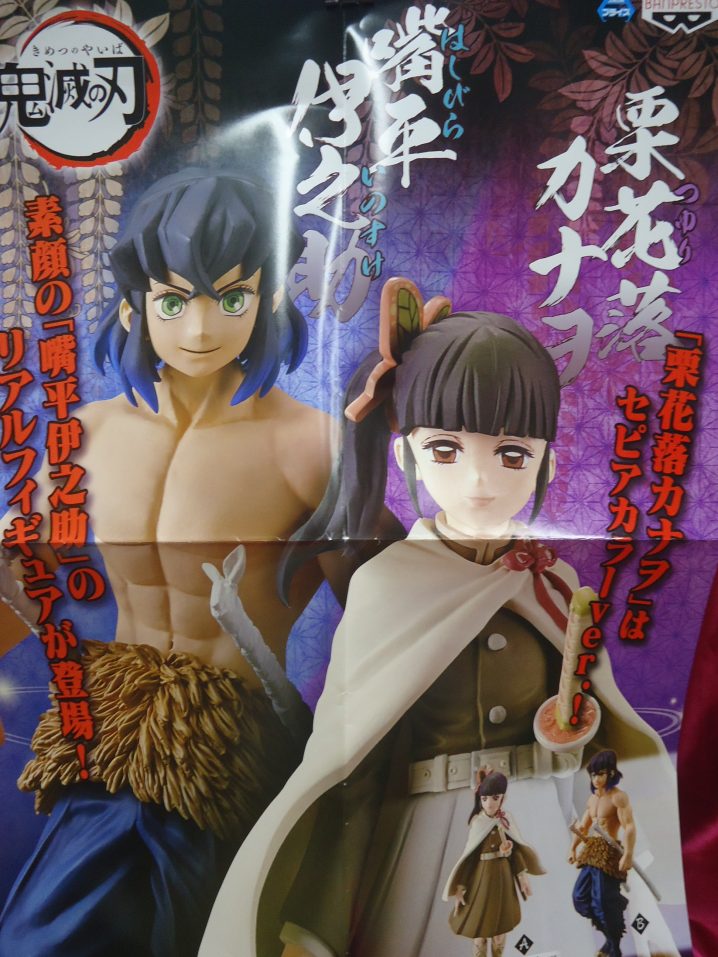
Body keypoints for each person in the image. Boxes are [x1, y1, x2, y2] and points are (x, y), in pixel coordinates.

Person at [201, 277, 683, 957]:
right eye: (446, 449)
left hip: (549, 831)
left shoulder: (555, 583)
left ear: (546, 463)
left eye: (511, 453)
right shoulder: (387, 587)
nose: (479, 479)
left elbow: (595, 743)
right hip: (424, 850)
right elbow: (349, 773)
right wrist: (316, 928)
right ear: (407, 455)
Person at [0, 169, 341, 956]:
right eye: (174, 300)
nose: (200, 328)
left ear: (268, 297)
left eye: (231, 297)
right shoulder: (87, 435)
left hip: (232, 752)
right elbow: (17, 580)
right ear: (135, 302)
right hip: (107, 746)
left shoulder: (307, 445)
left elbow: (383, 611)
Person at [444, 769, 544, 957]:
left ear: (502, 798)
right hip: (481, 882)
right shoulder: (478, 824)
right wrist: (461, 886)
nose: (489, 803)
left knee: (500, 930)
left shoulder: (506, 821)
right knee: (480, 931)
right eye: (485, 799)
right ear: (480, 799)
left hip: (503, 881)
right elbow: (469, 859)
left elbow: (516, 853)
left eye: (494, 798)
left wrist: (522, 876)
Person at [569, 750, 632, 957]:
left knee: (602, 903)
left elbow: (629, 826)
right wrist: (573, 847)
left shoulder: (618, 797)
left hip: (609, 852)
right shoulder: (592, 799)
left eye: (601, 774)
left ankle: (613, 947)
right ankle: (614, 917)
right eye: (593, 774)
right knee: (580, 899)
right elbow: (583, 826)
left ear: (611, 773)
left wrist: (628, 853)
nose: (596, 779)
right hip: (591, 851)